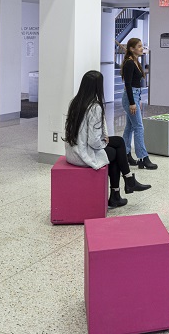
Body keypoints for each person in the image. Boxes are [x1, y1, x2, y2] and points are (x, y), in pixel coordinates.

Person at [64, 70, 150, 208]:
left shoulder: (75, 102)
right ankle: (125, 184)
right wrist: (104, 141)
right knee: (116, 153)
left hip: (73, 152)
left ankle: (123, 186)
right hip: (83, 154)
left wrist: (105, 140)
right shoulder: (94, 107)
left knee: (119, 142)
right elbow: (93, 141)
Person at [121, 37, 157, 169]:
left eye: (142, 46)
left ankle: (125, 154)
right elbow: (128, 84)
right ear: (132, 49)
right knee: (139, 127)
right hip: (130, 97)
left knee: (130, 127)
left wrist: (137, 100)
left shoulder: (135, 61)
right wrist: (132, 102)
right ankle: (143, 158)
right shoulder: (129, 63)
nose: (142, 48)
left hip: (135, 96)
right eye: (139, 46)